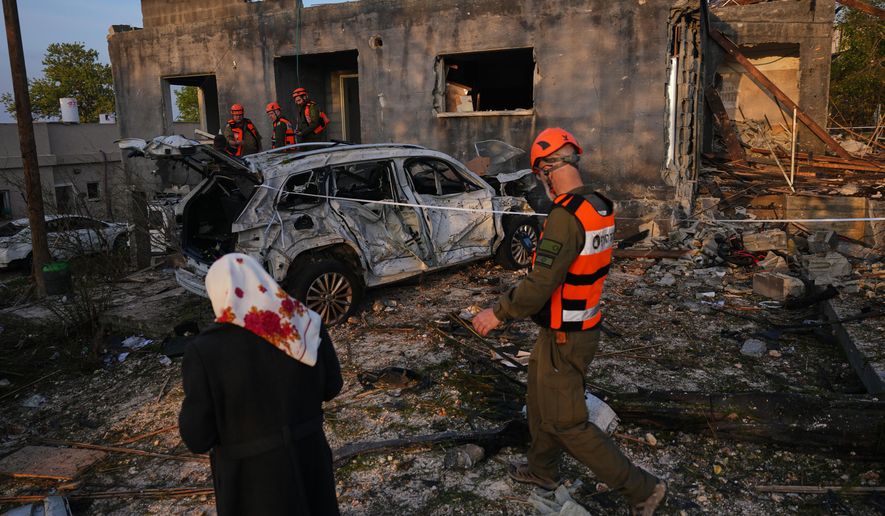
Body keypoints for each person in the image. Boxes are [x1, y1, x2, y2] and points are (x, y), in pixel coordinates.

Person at [472, 128, 667, 515]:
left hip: (568, 334)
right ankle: (541, 470)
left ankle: (643, 489)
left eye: (538, 173)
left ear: (547, 169)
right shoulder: (598, 203)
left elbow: (542, 281)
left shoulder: (565, 216)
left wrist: (498, 312)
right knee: (540, 403)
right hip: (567, 327)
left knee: (567, 423)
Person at [179, 252, 342, 516]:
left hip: (250, 484)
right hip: (309, 465)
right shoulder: (305, 323)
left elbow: (197, 437)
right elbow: (332, 386)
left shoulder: (205, 350)